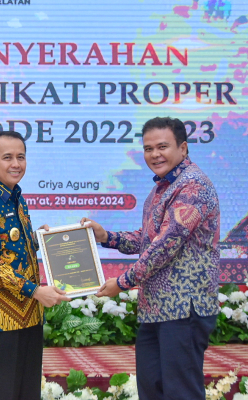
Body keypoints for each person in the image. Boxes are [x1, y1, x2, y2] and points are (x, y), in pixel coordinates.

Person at [81, 117, 220, 400]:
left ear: (183, 148)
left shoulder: (193, 186)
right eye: (148, 148)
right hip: (156, 310)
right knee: (151, 390)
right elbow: (148, 239)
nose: (155, 154)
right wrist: (106, 236)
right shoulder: (163, 187)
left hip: (183, 310)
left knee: (181, 394)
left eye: (162, 147)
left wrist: (122, 282)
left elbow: (164, 246)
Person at [0, 130, 70, 400]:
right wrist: (36, 291)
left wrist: (38, 240)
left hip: (28, 314)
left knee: (27, 391)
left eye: (21, 157)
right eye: (7, 157)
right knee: (2, 393)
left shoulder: (16, 198)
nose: (16, 164)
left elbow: (10, 248)